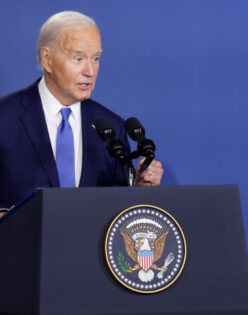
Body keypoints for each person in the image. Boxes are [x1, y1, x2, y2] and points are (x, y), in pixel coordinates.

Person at [0, 11, 163, 218]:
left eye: (96, 58)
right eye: (78, 59)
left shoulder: (111, 127)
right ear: (47, 59)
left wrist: (138, 189)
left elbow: (120, 210)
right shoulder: (5, 118)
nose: (90, 71)